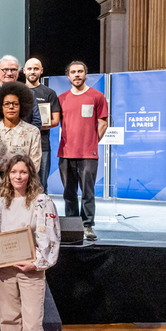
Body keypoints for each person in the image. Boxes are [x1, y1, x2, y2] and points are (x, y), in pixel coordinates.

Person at [0, 155, 60, 331]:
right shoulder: (1, 203)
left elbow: (50, 238)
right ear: (7, 175)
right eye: (13, 172)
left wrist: (36, 263)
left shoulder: (42, 202)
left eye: (23, 172)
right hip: (6, 271)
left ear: (30, 174)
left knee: (32, 326)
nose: (18, 176)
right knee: (9, 321)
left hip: (31, 271)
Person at [57, 61, 108, 241]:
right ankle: (72, 226)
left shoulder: (97, 96)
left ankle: (87, 226)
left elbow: (103, 123)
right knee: (69, 192)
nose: (77, 75)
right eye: (73, 72)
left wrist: (92, 142)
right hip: (66, 153)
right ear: (68, 75)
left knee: (88, 192)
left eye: (80, 71)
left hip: (88, 154)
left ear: (86, 74)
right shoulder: (61, 98)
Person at [0, 82, 42, 182]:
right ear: (1, 107)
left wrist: (20, 181)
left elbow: (34, 165)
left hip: (24, 182)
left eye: (15, 104)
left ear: (22, 106)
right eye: (7, 104)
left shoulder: (32, 132)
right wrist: (1, 184)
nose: (11, 107)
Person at [24, 58, 61, 191]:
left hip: (42, 146)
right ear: (24, 71)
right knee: (20, 184)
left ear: (41, 71)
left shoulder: (49, 93)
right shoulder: (18, 91)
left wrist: (32, 128)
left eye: (36, 69)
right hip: (20, 145)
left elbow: (55, 120)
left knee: (41, 186)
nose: (32, 71)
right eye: (29, 69)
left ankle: (41, 205)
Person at [0, 55, 42, 129]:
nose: (9, 73)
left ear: (18, 72)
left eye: (13, 70)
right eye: (5, 70)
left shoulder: (29, 94)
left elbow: (36, 121)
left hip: (23, 135)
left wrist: (26, 134)